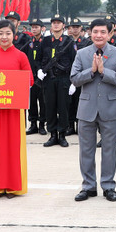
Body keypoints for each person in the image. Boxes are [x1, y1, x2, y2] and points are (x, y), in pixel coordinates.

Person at [70, 19, 116, 202]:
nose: (99, 35)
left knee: (109, 150)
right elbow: (74, 78)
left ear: (110, 34)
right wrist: (92, 71)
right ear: (90, 33)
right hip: (87, 109)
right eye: (95, 31)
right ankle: (88, 186)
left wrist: (104, 72)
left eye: (103, 32)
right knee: (86, 150)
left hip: (110, 109)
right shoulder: (82, 54)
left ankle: (108, 186)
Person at [0, 19, 34, 197]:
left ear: (14, 35)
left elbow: (30, 80)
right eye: (1, 33)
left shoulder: (21, 56)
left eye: (8, 33)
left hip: (13, 109)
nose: (4, 37)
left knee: (12, 146)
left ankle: (12, 185)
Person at [38, 14, 75, 148]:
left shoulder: (69, 42)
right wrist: (39, 70)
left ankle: (62, 135)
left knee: (63, 107)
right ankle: (53, 134)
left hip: (64, 79)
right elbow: (38, 59)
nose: (56, 24)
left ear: (63, 26)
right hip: (49, 79)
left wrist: (73, 82)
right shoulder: (45, 41)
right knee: (50, 107)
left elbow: (74, 62)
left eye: (59, 22)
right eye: (53, 22)